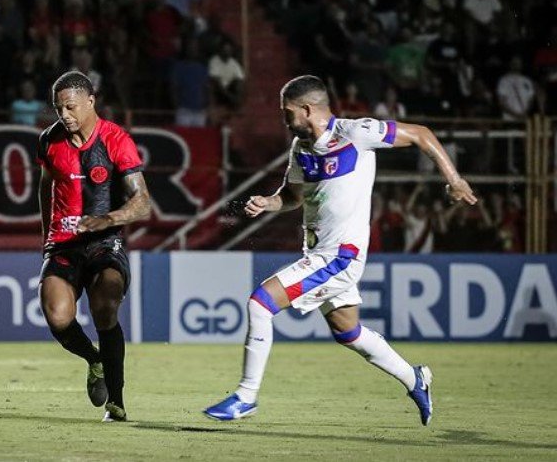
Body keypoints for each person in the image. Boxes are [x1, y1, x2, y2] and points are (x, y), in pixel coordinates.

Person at [203, 75, 476, 425]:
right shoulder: (301, 149)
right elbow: (293, 197)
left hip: (340, 256)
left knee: (261, 303)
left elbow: (421, 134)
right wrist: (268, 203)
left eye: (287, 112)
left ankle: (245, 396)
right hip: (318, 252)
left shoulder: (356, 133)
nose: (284, 120)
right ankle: (415, 378)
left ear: (307, 109)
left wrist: (454, 180)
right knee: (348, 332)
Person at [37, 71, 152, 422]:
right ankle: (95, 359)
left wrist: (107, 219)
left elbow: (142, 203)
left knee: (105, 305)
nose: (64, 115)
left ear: (90, 101)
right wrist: (47, 235)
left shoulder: (116, 140)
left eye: (70, 107)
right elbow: (45, 187)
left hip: (105, 242)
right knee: (57, 316)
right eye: (58, 108)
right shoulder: (49, 141)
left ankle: (116, 403)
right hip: (64, 244)